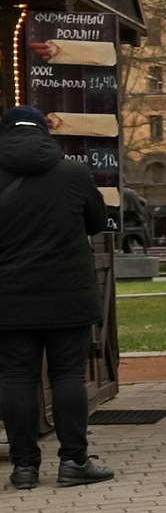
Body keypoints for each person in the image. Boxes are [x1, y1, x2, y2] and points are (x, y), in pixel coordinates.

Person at [0, 107, 112, 489]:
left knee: (16, 378)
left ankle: (24, 468)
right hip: (68, 295)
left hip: (9, 297)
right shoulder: (73, 173)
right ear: (46, 132)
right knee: (68, 376)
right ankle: (74, 462)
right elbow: (98, 222)